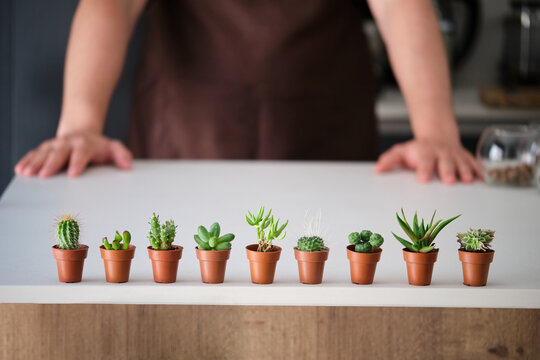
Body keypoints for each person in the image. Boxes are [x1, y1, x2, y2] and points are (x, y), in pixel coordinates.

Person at [14, 0, 480, 184]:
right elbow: (109, 6)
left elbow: (402, 7)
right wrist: (79, 124)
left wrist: (436, 131)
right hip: (187, 136)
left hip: (326, 134)